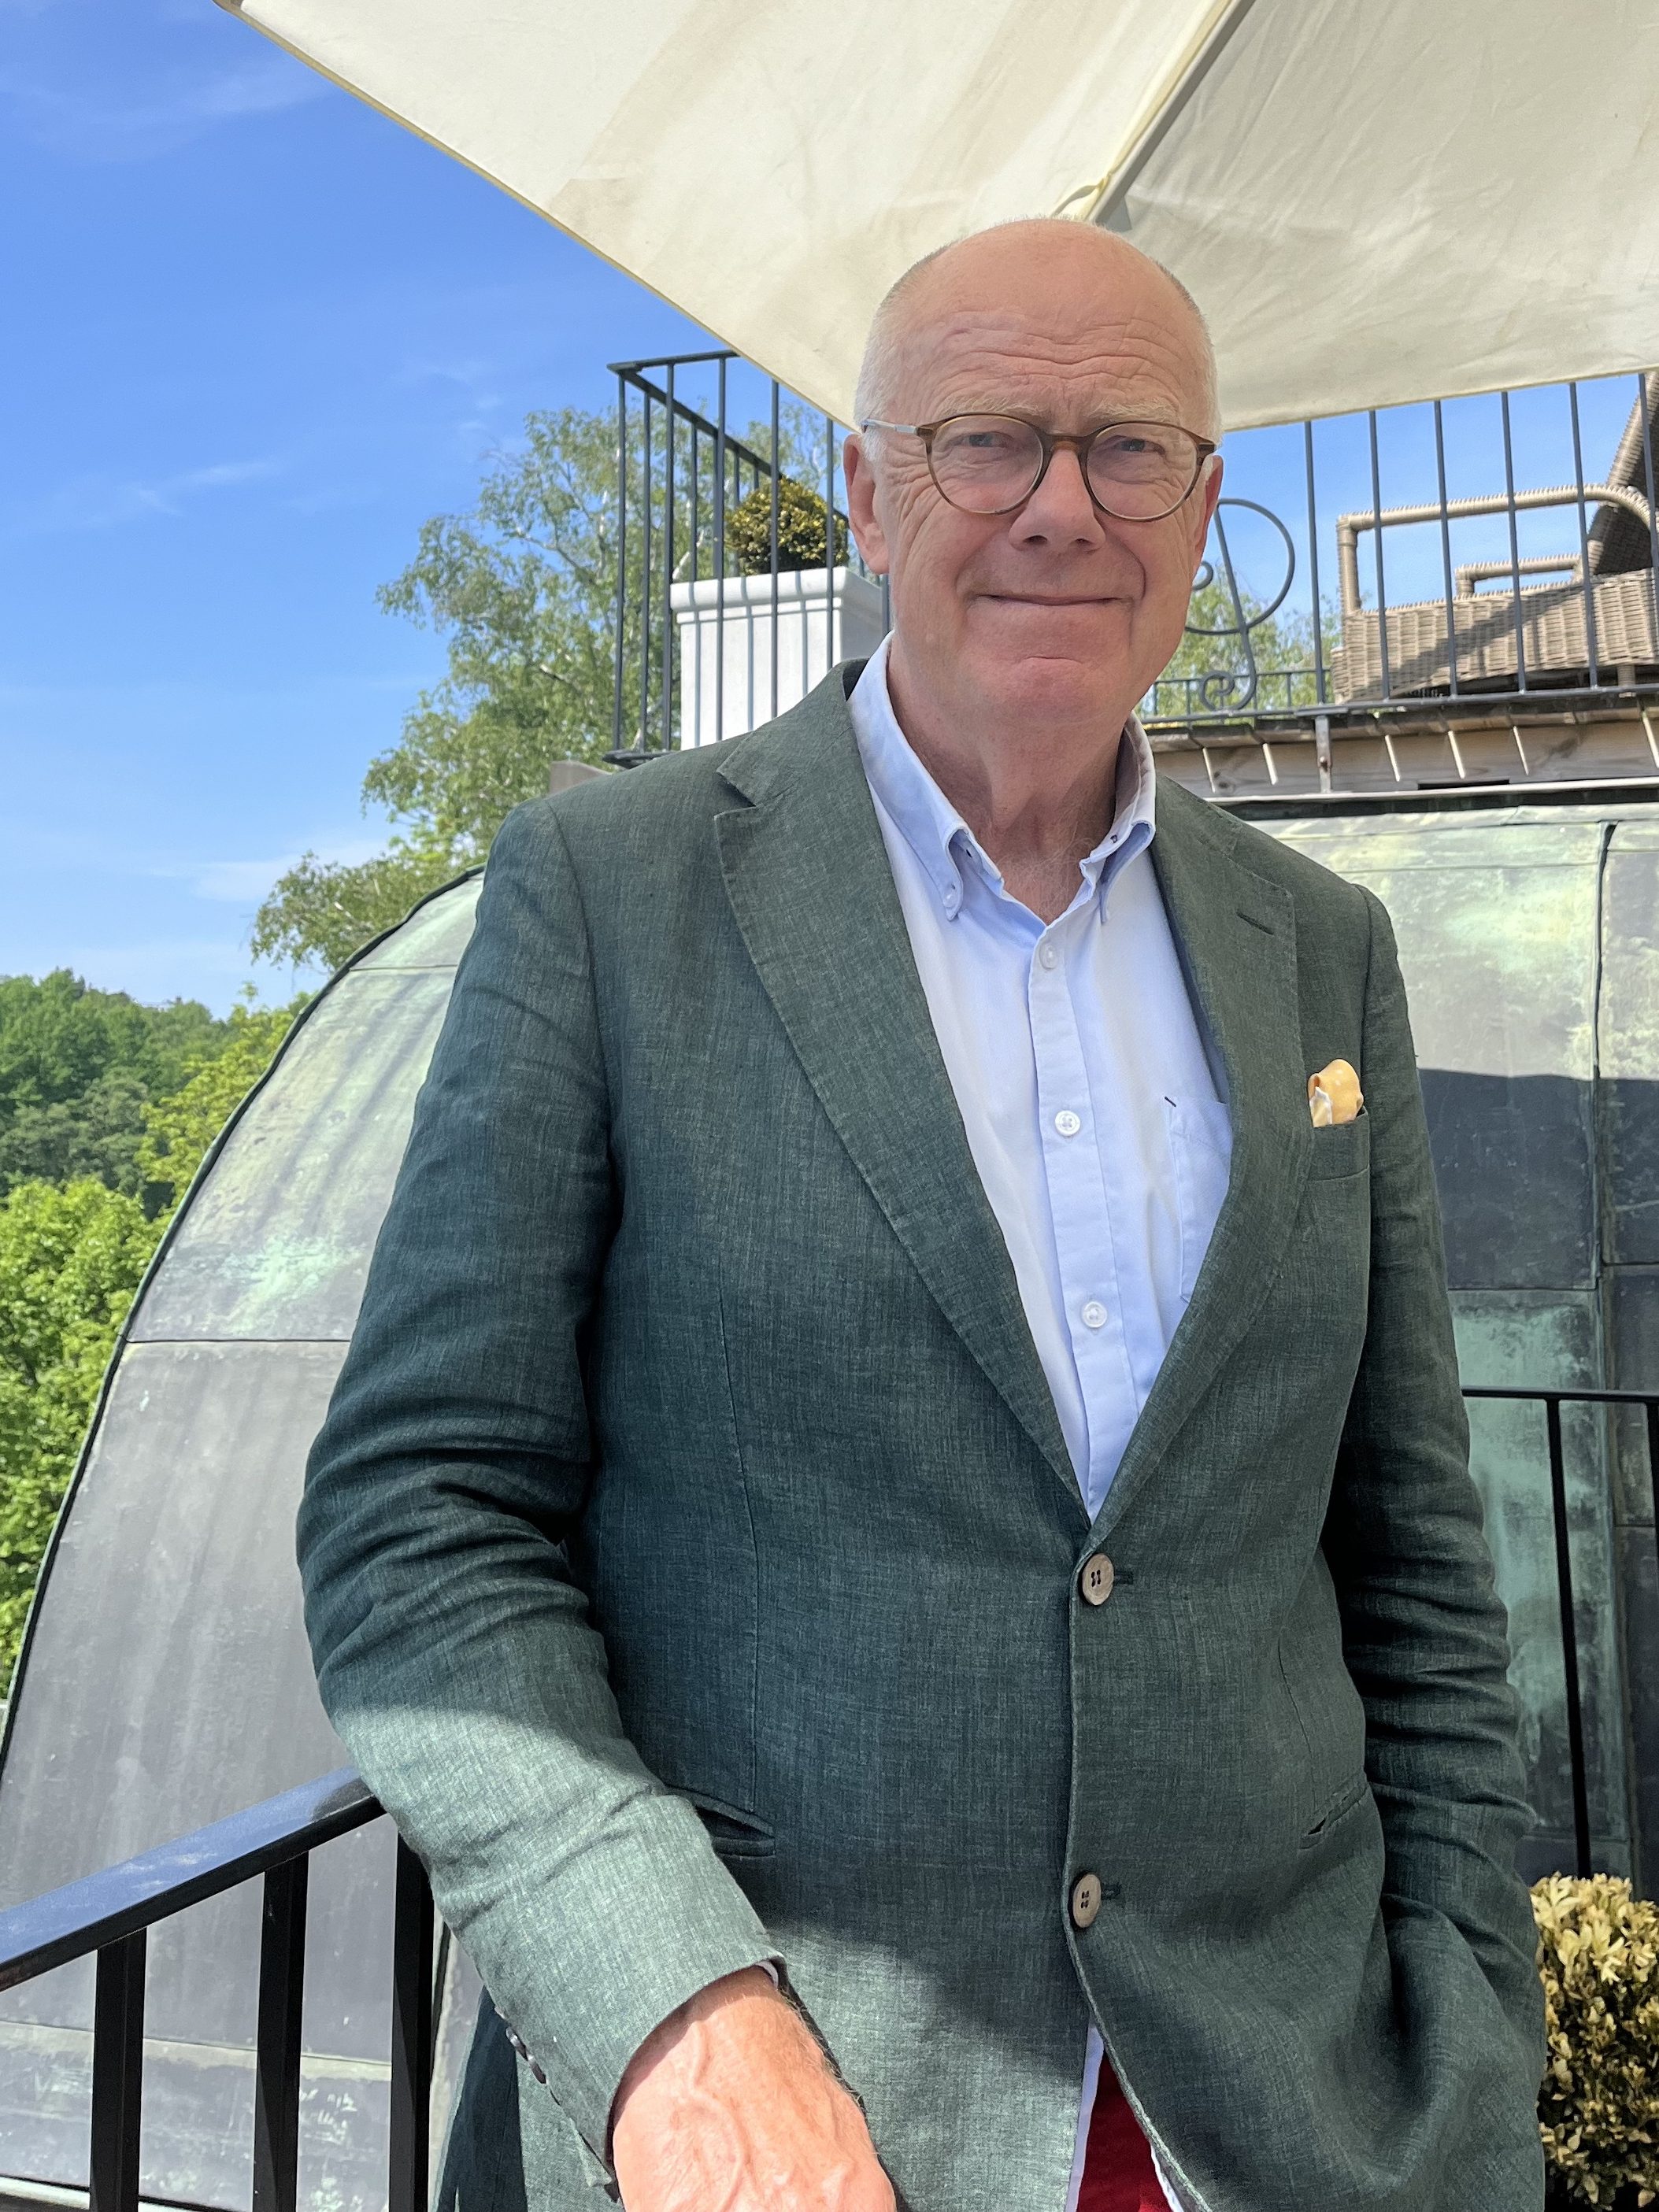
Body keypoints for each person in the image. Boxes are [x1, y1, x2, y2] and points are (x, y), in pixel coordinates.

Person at [296, 219, 1546, 2212]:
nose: (1060, 506)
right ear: (871, 495)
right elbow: (420, 1511)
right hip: (773, 2130)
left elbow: (1410, 1561)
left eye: (1128, 448)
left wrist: (1472, 2042)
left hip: (1294, 2118)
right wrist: (673, 2015)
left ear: (1202, 511)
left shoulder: (1322, 949)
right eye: (985, 440)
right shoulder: (611, 891)